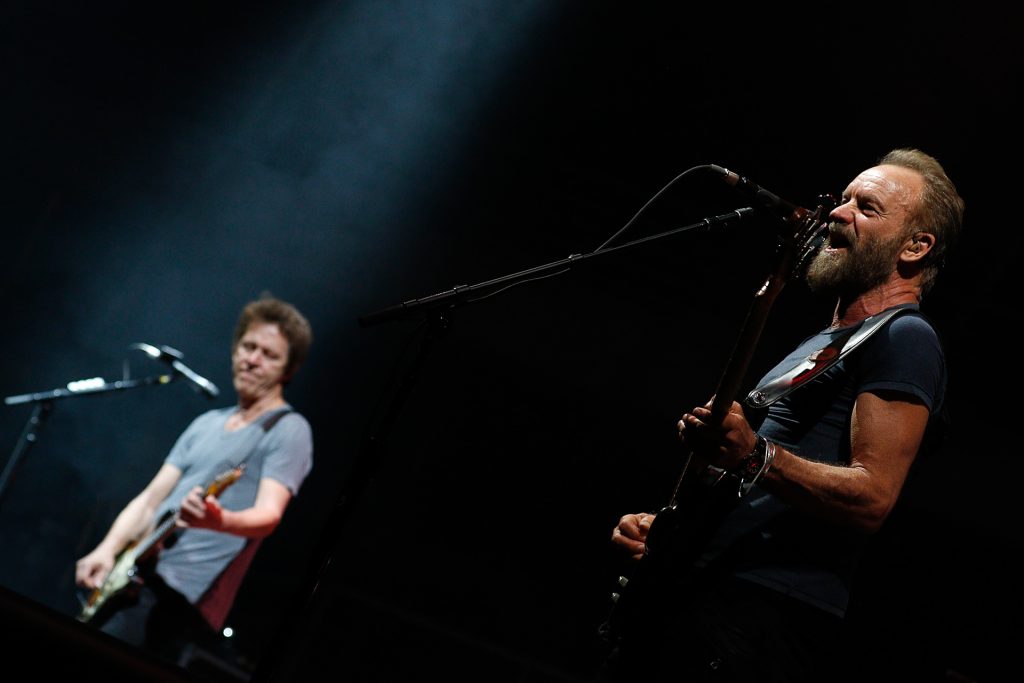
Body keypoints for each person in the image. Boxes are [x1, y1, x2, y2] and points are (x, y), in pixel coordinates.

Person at [602, 148, 964, 682]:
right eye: (842, 199)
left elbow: (872, 498)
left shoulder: (906, 337)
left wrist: (753, 454)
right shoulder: (824, 341)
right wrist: (675, 533)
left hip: (760, 615)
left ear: (915, 246)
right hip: (704, 596)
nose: (836, 213)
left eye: (866, 207)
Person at [74, 295, 314, 669]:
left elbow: (269, 515)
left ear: (288, 369)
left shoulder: (288, 429)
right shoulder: (206, 423)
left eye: (269, 355)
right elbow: (150, 500)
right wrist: (107, 549)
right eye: (248, 347)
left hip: (181, 599)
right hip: (135, 577)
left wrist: (219, 520)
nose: (252, 360)